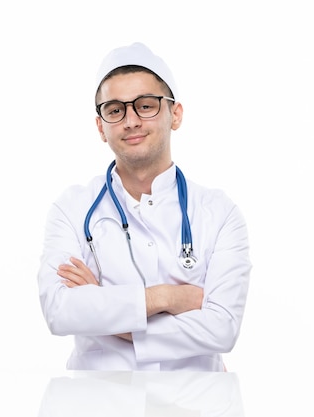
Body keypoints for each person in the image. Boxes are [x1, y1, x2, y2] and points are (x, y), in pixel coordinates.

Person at [37, 42, 251, 371]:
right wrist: (167, 297)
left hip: (195, 402)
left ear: (174, 114)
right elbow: (60, 311)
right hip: (98, 401)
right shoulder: (72, 208)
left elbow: (222, 329)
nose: (131, 120)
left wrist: (108, 312)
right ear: (100, 126)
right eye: (114, 110)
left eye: (146, 106)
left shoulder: (219, 213)